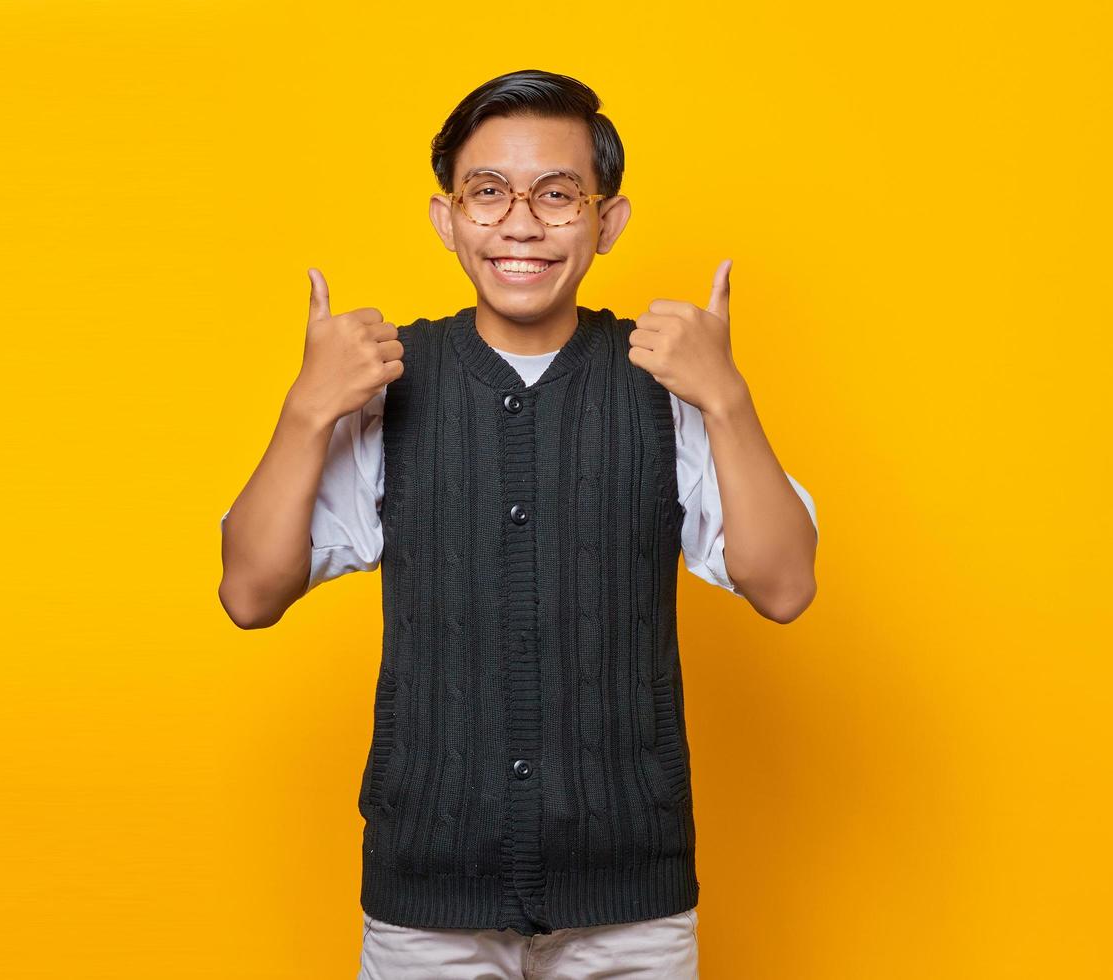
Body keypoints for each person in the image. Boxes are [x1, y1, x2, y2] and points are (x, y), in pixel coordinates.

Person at [219, 68, 819, 980]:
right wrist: (306, 410)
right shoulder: (386, 380)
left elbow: (785, 587)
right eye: (488, 193)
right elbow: (250, 593)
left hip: (631, 905)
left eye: (558, 194)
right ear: (446, 218)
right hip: (428, 900)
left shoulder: (666, 385)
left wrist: (728, 396)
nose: (522, 224)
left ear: (608, 221)